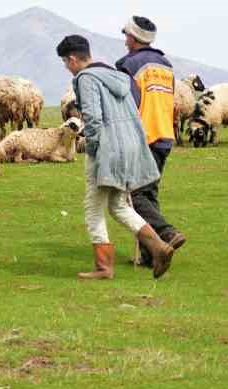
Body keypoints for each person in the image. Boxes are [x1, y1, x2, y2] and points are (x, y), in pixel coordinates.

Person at [58, 34, 175, 280]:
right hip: (130, 147)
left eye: (65, 63)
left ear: (72, 59)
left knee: (93, 209)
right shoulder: (119, 77)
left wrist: (92, 148)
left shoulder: (85, 78)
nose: (67, 69)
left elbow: (92, 116)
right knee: (119, 205)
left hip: (107, 151)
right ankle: (158, 247)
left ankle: (103, 268)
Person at [113, 15, 187, 265]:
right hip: (165, 135)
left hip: (141, 137)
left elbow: (127, 103)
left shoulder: (129, 65)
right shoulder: (165, 65)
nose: (125, 40)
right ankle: (150, 255)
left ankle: (166, 233)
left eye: (127, 36)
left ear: (133, 38)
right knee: (149, 193)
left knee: (133, 195)